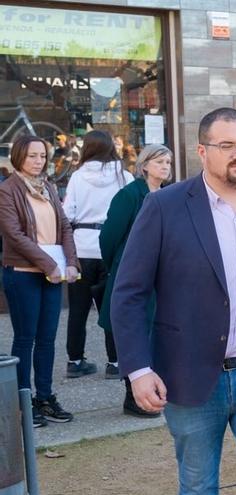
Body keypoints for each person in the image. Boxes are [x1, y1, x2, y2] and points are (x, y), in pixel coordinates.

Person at [111, 108, 236, 494]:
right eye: (227, 145)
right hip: (188, 376)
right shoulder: (163, 207)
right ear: (202, 151)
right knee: (198, 485)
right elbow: (129, 293)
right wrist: (137, 369)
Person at [0, 135, 79, 428]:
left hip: (53, 274)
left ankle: (44, 397)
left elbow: (65, 226)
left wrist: (71, 262)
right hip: (22, 275)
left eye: (42, 156)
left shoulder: (47, 186)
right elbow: (14, 235)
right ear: (19, 156)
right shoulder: (7, 190)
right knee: (25, 339)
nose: (38, 161)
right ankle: (22, 403)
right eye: (32, 156)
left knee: (47, 340)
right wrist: (50, 265)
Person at [98, 144, 173, 418]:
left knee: (156, 330)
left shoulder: (168, 195)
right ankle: (132, 396)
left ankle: (156, 390)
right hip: (131, 271)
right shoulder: (129, 195)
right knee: (133, 328)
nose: (165, 167)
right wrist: (118, 265)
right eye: (159, 162)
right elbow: (108, 237)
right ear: (144, 166)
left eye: (168, 162)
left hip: (161, 277)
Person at [63, 130, 134, 379]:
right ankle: (115, 363)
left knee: (78, 309)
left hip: (82, 247)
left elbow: (68, 213)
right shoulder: (124, 176)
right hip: (111, 249)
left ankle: (75, 360)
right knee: (113, 309)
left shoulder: (77, 177)